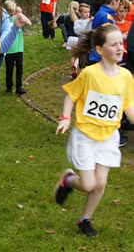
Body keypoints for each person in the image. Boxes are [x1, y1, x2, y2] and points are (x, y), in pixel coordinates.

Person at [55, 24, 134, 237]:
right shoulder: (90, 73)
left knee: (100, 183)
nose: (120, 48)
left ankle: (85, 219)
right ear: (99, 50)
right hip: (86, 136)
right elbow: (71, 95)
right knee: (89, 184)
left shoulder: (126, 76)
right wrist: (65, 118)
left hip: (109, 137)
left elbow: (128, 106)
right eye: (113, 44)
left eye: (121, 43)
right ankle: (68, 180)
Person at [88, 0, 122, 65]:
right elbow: (107, 37)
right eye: (118, 2)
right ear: (114, 1)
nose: (118, 5)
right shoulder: (106, 16)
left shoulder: (102, 13)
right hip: (101, 58)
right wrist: (121, 37)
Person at [4, 0, 31, 95]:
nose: (11, 13)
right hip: (8, 49)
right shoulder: (4, 20)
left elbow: (29, 23)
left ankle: (19, 87)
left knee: (19, 68)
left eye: (12, 11)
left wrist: (20, 14)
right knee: (9, 69)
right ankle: (9, 87)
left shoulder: (18, 18)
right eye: (9, 11)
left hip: (18, 48)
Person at [72, 3, 93, 77]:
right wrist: (86, 21)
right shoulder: (78, 22)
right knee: (82, 64)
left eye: (88, 12)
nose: (87, 14)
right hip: (82, 45)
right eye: (85, 12)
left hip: (91, 45)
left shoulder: (91, 21)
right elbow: (78, 31)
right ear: (79, 13)